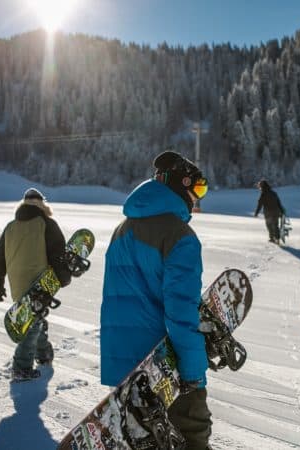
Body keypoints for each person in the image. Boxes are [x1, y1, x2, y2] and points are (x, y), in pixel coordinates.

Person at [101, 150, 212, 449]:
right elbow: (180, 311)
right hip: (164, 367)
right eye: (198, 188)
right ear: (181, 184)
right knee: (193, 435)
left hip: (123, 365)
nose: (198, 197)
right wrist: (192, 372)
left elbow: (114, 299)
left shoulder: (120, 231)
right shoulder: (180, 236)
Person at [0, 188, 72, 381]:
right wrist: (64, 276)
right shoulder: (47, 224)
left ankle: (44, 354)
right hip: (39, 282)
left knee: (35, 318)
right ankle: (21, 367)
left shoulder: (11, 226)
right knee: (32, 323)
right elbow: (58, 255)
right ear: (43, 204)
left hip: (17, 283)